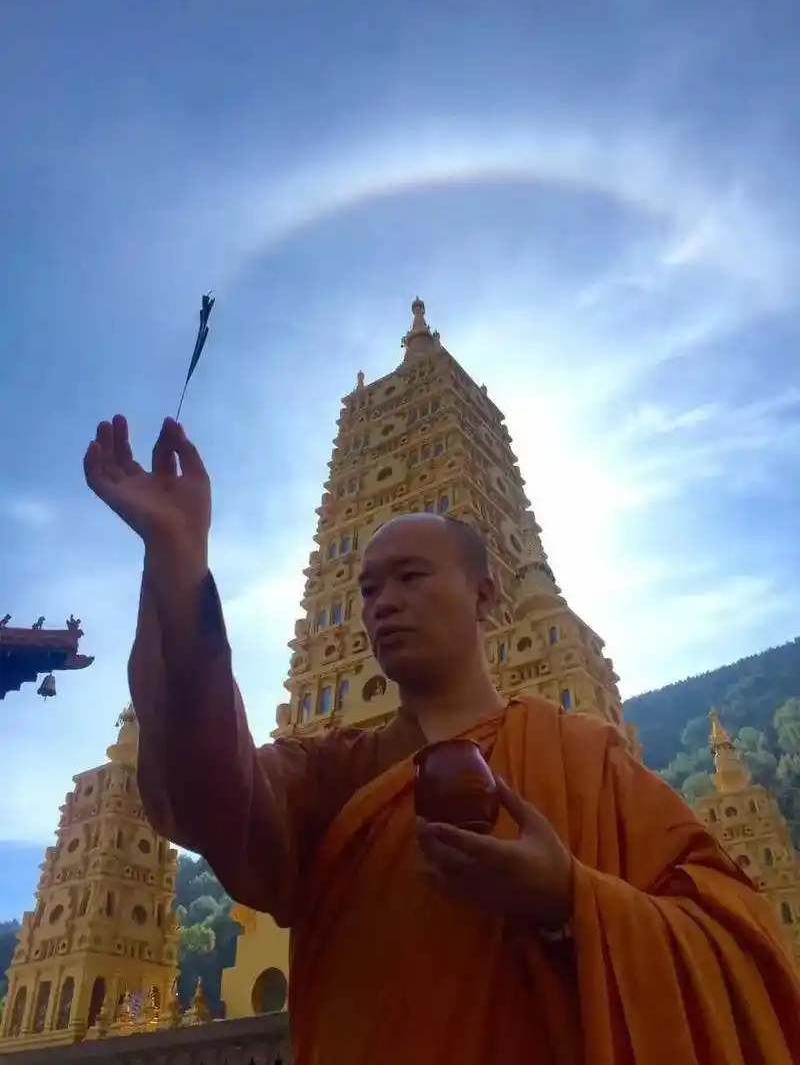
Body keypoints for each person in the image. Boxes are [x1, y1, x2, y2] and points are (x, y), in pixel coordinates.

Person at [85, 414, 800, 1064]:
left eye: (410, 575)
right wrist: (178, 563)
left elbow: (742, 946)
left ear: (485, 595)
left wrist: (570, 898)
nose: (382, 602)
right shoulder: (333, 778)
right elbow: (207, 791)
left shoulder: (586, 761)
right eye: (365, 589)